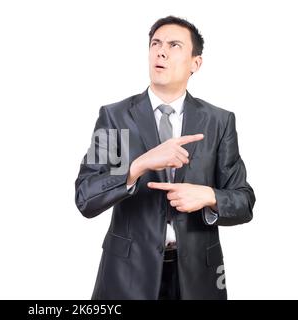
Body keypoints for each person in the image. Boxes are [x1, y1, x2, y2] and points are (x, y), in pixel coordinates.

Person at [74, 16, 255, 300]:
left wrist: (208, 196)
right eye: (156, 44)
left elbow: (243, 201)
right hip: (128, 277)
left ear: (195, 63)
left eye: (174, 45)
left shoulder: (218, 122)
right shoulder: (117, 118)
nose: (161, 51)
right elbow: (86, 197)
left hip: (196, 277)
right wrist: (137, 166)